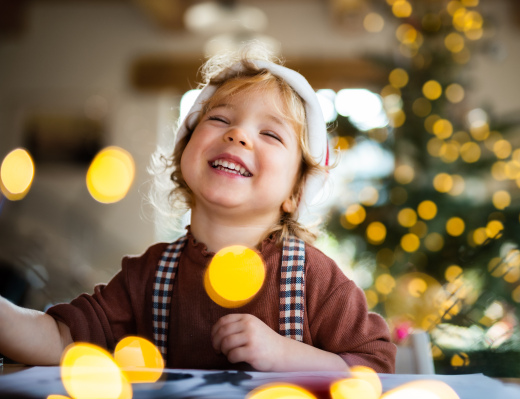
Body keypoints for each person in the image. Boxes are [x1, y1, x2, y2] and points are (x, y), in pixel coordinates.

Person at [0, 44, 396, 373]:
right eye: (220, 118)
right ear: (184, 153)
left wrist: (287, 355)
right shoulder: (148, 276)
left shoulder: (313, 278)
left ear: (295, 192)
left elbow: (375, 366)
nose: (237, 134)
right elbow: (62, 339)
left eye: (270, 133)